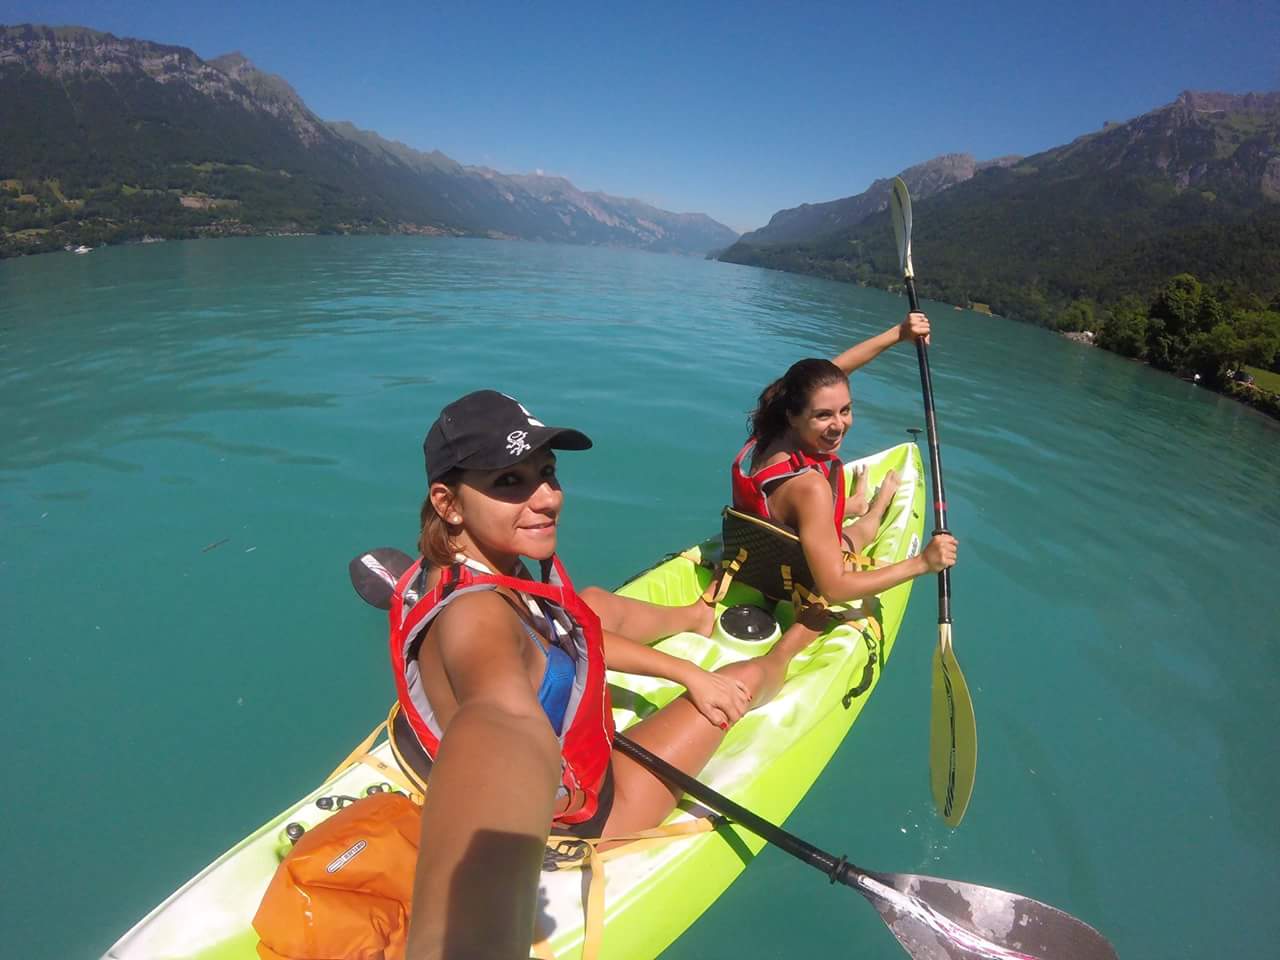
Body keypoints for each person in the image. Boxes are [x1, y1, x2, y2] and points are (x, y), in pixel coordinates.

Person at [394, 390, 821, 960]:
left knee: (586, 603)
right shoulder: (475, 618)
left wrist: (683, 669)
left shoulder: (447, 568)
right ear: (448, 503)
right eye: (509, 483)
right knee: (739, 677)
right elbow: (498, 724)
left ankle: (693, 616)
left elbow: (563, 634)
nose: (546, 499)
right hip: (587, 815)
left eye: (547, 473)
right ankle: (798, 639)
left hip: (516, 733)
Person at [731, 313, 958, 604]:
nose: (839, 425)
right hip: (793, 584)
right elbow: (835, 589)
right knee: (860, 532)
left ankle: (857, 504)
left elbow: (828, 376)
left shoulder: (770, 431)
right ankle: (875, 507)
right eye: (823, 415)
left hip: (763, 558)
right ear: (794, 415)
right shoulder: (811, 488)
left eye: (846, 410)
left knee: (842, 522)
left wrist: (898, 332)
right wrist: (923, 563)